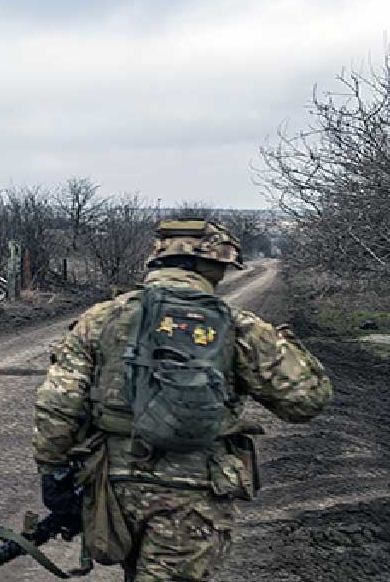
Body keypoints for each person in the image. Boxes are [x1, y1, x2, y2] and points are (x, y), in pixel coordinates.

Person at [33, 218, 332, 582]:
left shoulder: (100, 318)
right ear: (214, 268)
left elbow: (58, 401)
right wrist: (285, 345)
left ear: (156, 261)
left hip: (115, 484)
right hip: (194, 491)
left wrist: (53, 471)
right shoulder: (239, 326)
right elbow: (306, 400)